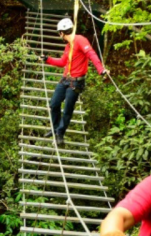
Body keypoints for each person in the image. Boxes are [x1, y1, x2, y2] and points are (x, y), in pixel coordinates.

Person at [45, 17, 108, 145]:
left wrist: (101, 69)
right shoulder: (69, 46)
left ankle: (60, 133)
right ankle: (56, 128)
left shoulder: (80, 40)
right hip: (65, 80)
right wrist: (47, 59)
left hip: (76, 82)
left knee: (68, 109)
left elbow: (91, 54)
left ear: (61, 33)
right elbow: (63, 62)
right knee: (54, 104)